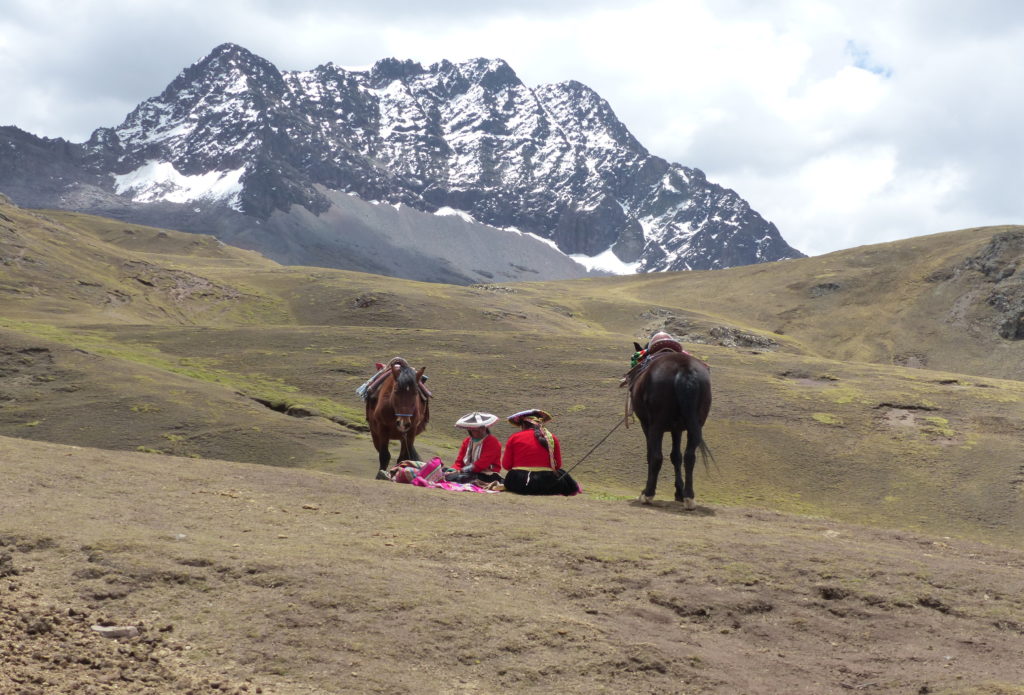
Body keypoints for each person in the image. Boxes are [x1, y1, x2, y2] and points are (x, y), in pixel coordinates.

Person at [501, 409, 579, 496]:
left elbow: (506, 465)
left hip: (519, 484)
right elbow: (557, 465)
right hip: (547, 485)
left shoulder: (514, 438)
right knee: (562, 474)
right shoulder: (552, 438)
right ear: (540, 423)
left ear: (522, 424)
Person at [444, 412, 503, 485]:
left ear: (484, 428)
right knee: (445, 471)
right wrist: (453, 470)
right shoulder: (467, 441)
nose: (474, 431)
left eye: (478, 428)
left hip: (486, 473)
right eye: (472, 429)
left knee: (461, 477)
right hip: (467, 472)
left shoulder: (492, 442)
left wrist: (460, 471)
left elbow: (481, 464)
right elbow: (459, 461)